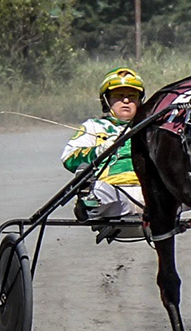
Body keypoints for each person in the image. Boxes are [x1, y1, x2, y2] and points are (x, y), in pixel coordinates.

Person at [63, 68, 147, 221]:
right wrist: (100, 150)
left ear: (140, 101)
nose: (126, 101)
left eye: (132, 96)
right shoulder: (94, 126)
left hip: (153, 193)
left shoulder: (154, 127)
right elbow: (68, 158)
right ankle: (87, 201)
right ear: (106, 100)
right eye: (119, 96)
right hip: (113, 193)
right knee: (98, 190)